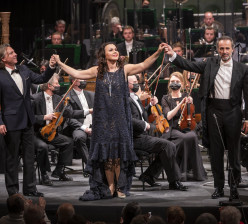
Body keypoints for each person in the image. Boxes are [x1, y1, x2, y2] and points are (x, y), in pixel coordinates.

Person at [53, 41, 167, 200]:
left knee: (118, 155)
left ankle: (120, 186)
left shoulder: (124, 69)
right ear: (104, 54)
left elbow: (143, 64)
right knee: (107, 156)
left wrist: (158, 52)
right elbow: (77, 74)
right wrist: (59, 63)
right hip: (103, 121)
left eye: (116, 49)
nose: (115, 51)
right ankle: (110, 186)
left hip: (120, 120)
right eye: (111, 50)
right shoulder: (97, 70)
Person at [164, 36, 248, 198]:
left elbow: (247, 95)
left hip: (233, 112)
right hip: (214, 111)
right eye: (221, 49)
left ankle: (234, 185)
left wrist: (247, 118)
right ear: (218, 49)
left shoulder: (242, 69)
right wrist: (172, 54)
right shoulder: (210, 64)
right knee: (216, 153)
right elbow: (188, 64)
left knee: (234, 153)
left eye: (227, 49)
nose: (224, 52)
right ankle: (219, 187)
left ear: (232, 49)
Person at [0, 44, 56, 196]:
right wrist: (0, 122)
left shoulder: (24, 70)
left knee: (30, 157)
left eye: (14, 51)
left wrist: (50, 67)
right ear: (3, 58)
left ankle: (30, 189)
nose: (15, 54)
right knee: (12, 158)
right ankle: (13, 192)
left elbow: (41, 78)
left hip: (27, 120)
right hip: (11, 122)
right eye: (11, 53)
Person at [128, 75, 187, 190]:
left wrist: (150, 105)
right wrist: (146, 124)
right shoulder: (125, 99)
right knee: (168, 145)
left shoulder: (135, 98)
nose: (137, 84)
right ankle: (174, 181)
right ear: (127, 85)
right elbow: (128, 119)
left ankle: (149, 176)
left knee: (168, 147)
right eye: (134, 82)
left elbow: (141, 114)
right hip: (135, 138)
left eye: (137, 82)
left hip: (142, 136)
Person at [32, 73, 79, 185]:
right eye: (57, 83)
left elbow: (70, 113)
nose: (59, 85)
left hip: (51, 133)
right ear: (49, 86)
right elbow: (28, 118)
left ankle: (59, 170)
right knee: (42, 147)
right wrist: (44, 117)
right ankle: (44, 174)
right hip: (36, 133)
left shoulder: (58, 99)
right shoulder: (35, 99)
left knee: (68, 142)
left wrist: (88, 111)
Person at [161, 73, 206, 182]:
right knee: (185, 138)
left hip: (185, 127)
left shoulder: (187, 96)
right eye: (172, 81)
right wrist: (181, 102)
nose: (174, 83)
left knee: (193, 136)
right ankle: (182, 172)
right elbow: (168, 116)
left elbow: (190, 114)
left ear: (182, 83)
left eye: (177, 81)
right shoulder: (165, 98)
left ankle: (196, 172)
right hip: (173, 128)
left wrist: (190, 103)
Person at [64, 77, 94, 169]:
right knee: (79, 137)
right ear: (74, 82)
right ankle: (90, 166)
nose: (84, 81)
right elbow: (69, 118)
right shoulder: (66, 96)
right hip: (79, 126)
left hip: (94, 125)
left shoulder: (92, 94)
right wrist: (85, 128)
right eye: (81, 79)